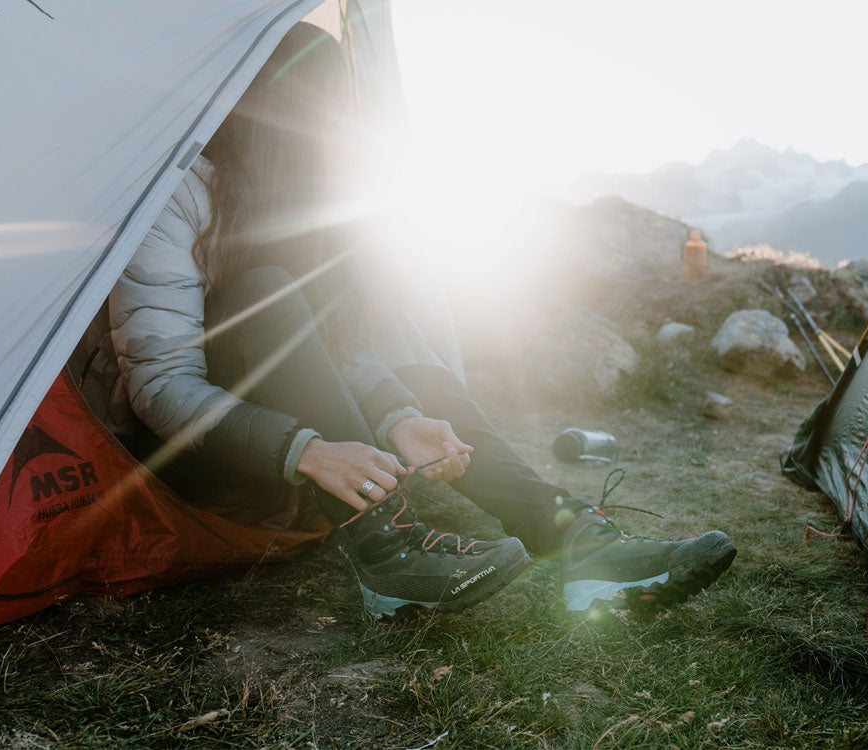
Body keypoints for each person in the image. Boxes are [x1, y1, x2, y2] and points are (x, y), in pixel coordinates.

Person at [107, 23, 735, 619]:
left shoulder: (312, 203)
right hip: (197, 459)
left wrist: (398, 415)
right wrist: (310, 450)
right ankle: (388, 554)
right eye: (327, 109)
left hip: (303, 461)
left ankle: (577, 541)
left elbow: (337, 344)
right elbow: (160, 385)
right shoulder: (182, 196)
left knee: (411, 372)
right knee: (262, 290)